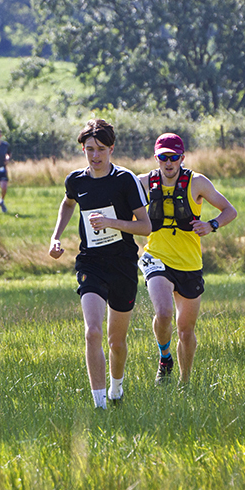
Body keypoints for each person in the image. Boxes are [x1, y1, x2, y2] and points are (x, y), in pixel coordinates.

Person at [48, 119, 151, 409]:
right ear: (83, 149)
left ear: (111, 149)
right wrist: (55, 238)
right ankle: (100, 405)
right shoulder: (76, 180)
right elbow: (68, 203)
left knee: (116, 343)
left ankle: (116, 389)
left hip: (122, 264)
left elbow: (145, 227)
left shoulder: (125, 180)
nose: (95, 156)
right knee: (92, 331)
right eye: (89, 149)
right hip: (90, 263)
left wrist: (110, 223)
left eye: (101, 150)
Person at [137, 133, 237, 384]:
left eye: (173, 157)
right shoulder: (143, 182)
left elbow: (230, 211)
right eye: (163, 158)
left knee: (186, 329)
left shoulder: (197, 182)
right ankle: (164, 357)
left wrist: (211, 225)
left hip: (190, 263)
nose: (168, 163)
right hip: (156, 256)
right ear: (156, 158)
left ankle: (185, 381)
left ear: (182, 157)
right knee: (164, 311)